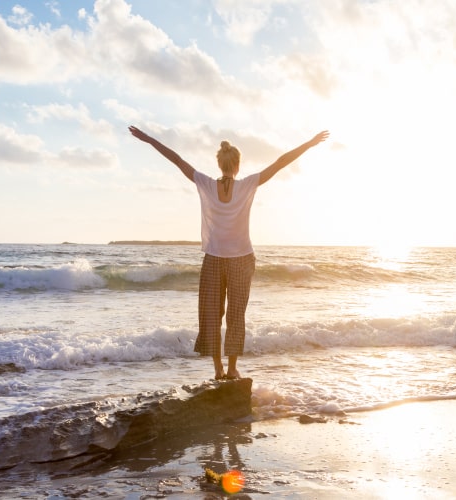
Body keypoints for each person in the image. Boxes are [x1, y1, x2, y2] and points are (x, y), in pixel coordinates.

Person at [128, 125, 329, 380]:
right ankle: (232, 368)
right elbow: (280, 162)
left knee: (212, 314)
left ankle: (218, 370)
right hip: (242, 259)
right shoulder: (248, 184)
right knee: (235, 315)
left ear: (220, 163)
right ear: (237, 165)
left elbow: (177, 159)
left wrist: (148, 139)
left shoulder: (205, 183)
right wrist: (308, 143)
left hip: (214, 259)